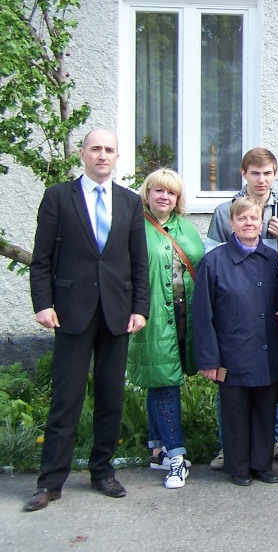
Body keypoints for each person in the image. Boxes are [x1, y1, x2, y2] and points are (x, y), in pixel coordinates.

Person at [25, 129, 150, 512]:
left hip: (116, 314)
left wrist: (140, 308)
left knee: (111, 397)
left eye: (109, 149)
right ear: (82, 153)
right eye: (95, 148)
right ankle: (50, 483)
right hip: (71, 312)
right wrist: (43, 304)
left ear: (117, 157)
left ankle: (102, 473)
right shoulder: (58, 197)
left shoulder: (130, 202)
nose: (102, 155)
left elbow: (139, 262)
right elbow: (41, 258)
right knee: (66, 399)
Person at [205, 146, 278, 470]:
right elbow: (213, 255)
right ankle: (229, 447)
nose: (261, 180)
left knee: (270, 376)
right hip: (236, 303)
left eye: (267, 173)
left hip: (273, 306)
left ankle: (272, 441)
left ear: (275, 174)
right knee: (231, 379)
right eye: (255, 173)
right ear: (244, 174)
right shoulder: (225, 211)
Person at [193, 196, 278, 487]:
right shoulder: (213, 262)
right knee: (235, 412)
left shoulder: (274, 259)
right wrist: (209, 360)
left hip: (268, 350)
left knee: (265, 410)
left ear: (262, 222)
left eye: (254, 218)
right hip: (232, 352)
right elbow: (203, 314)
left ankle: (262, 464)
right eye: (242, 218)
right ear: (231, 223)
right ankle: (238, 467)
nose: (249, 223)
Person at [127, 169, 205, 490]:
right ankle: (177, 455)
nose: (164, 196)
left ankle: (157, 448)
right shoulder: (135, 227)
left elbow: (200, 264)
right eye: (158, 190)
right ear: (147, 194)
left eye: (171, 192)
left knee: (161, 380)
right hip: (154, 319)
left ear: (178, 198)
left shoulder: (185, 227)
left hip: (185, 319)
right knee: (164, 381)